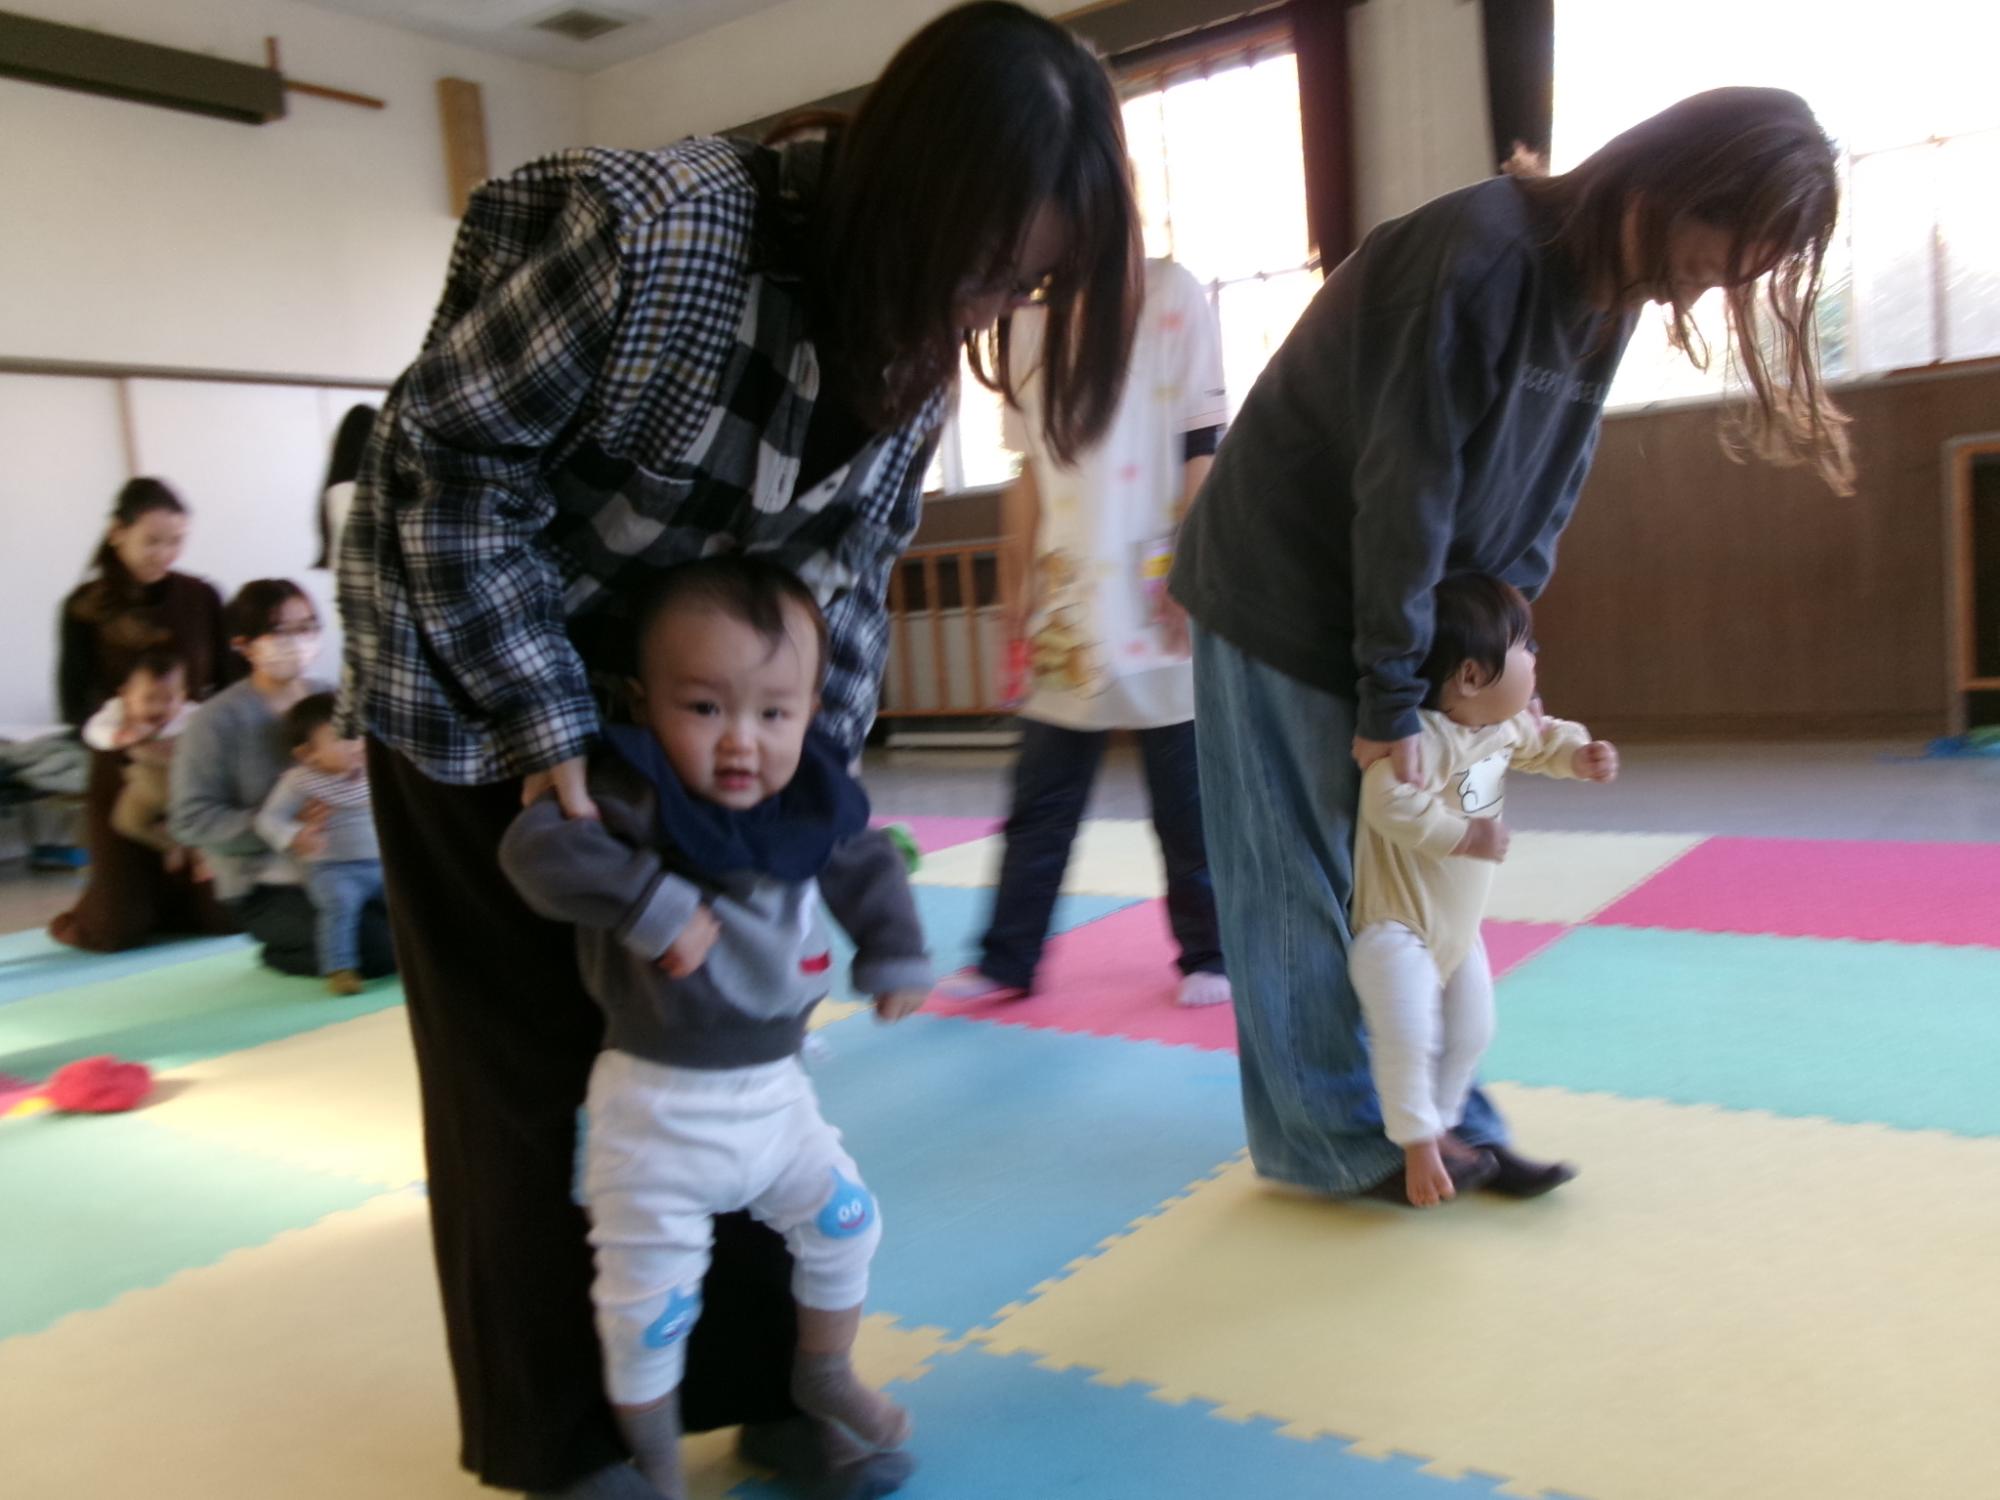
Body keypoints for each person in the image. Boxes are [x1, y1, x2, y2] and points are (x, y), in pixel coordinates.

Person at [336, 5, 1139, 1495]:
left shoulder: (912, 354)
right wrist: (546, 722)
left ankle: (772, 1391)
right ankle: (568, 1442)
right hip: (474, 663)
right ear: (900, 191)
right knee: (531, 1077)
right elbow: (440, 461)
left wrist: (819, 800)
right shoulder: (663, 234)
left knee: (737, 1059)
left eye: (1020, 281)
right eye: (978, 262)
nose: (987, 304)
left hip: (698, 706)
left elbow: (845, 586)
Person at [1168, 87, 1852, 1203]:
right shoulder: (1478, 256)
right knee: (1297, 875)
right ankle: (1334, 1144)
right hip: (1278, 578)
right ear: (1677, 184)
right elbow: (1408, 486)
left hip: (1404, 607)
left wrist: (1499, 645)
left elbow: (1549, 478)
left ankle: (1440, 1121)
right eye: (1730, 248)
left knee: (1416, 881)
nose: (1721, 283)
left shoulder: (1606, 293)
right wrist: (1391, 700)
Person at [500, 559, 931, 1500]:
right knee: (648, 1312)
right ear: (645, 703)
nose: (742, 742)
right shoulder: (639, 794)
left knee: (848, 1224)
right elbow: (536, 848)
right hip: (657, 1115)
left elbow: (863, 860)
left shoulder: (802, 797)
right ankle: (656, 1467)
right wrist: (644, 901)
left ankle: (822, 1373)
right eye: (703, 709)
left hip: (778, 1100)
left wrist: (894, 952)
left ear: (812, 707)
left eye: (773, 714)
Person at [939, 257, 1231, 1009]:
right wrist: (1014, 578)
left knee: (1187, 802)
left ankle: (1211, 952)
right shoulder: (1021, 317)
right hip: (1067, 598)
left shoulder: (1169, 294)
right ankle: (1008, 957)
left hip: (1157, 583)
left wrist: (1191, 568)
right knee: (1041, 795)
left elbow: (1203, 441)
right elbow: (1028, 465)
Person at [1350, 575, 1617, 1207]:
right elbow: (1386, 800)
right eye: (1527, 647)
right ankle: (1416, 1145)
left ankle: (1444, 1130)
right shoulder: (1426, 737)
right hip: (1398, 929)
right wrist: (1463, 837)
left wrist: (1579, 757)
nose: (1537, 660)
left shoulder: (1496, 731)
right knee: (1410, 1033)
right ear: (1471, 676)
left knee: (1472, 1030)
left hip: (1456, 933)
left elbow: (1544, 738)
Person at [169, 581, 395, 980]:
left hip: (357, 863)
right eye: (280, 631)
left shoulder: (332, 699)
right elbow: (191, 820)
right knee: (375, 951)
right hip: (267, 885)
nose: (298, 640)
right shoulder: (216, 721)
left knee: (426, 931)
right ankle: (282, 949)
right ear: (244, 644)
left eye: (307, 626)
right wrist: (284, 828)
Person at [50, 478, 239, 951]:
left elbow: (228, 683)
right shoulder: (86, 607)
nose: (164, 553)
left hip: (192, 763)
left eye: (176, 541)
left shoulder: (202, 597)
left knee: (221, 920)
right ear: (118, 533)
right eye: (152, 540)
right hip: (122, 766)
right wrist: (129, 741)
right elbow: (74, 701)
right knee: (115, 930)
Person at [256, 692, 384, 997]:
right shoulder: (300, 781)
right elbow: (268, 819)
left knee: (408, 902)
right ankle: (340, 968)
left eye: (358, 733)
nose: (356, 745)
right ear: (307, 754)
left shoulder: (374, 770)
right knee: (340, 907)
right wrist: (294, 836)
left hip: (381, 862)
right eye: (342, 739)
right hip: (333, 868)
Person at [80, 646, 197, 864]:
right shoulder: (117, 711)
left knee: (199, 823)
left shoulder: (191, 715)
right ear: (126, 696)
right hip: (141, 790)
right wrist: (118, 737)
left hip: (182, 790)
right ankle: (168, 843)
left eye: (169, 699)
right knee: (125, 822)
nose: (158, 708)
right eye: (149, 698)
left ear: (182, 697)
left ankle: (192, 850)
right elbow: (91, 731)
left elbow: (214, 730)